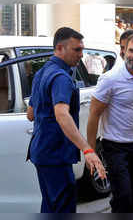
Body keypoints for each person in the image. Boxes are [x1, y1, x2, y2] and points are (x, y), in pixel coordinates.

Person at [26, 27, 106, 213]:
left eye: (82, 49)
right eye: (77, 50)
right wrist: (87, 149)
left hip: (42, 153)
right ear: (60, 48)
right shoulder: (61, 77)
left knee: (50, 206)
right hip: (55, 155)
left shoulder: (43, 71)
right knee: (63, 207)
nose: (81, 54)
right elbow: (61, 114)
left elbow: (31, 114)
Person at [87, 33, 133, 213]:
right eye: (131, 50)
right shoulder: (110, 79)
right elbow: (94, 114)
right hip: (115, 147)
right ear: (124, 51)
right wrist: (90, 151)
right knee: (123, 197)